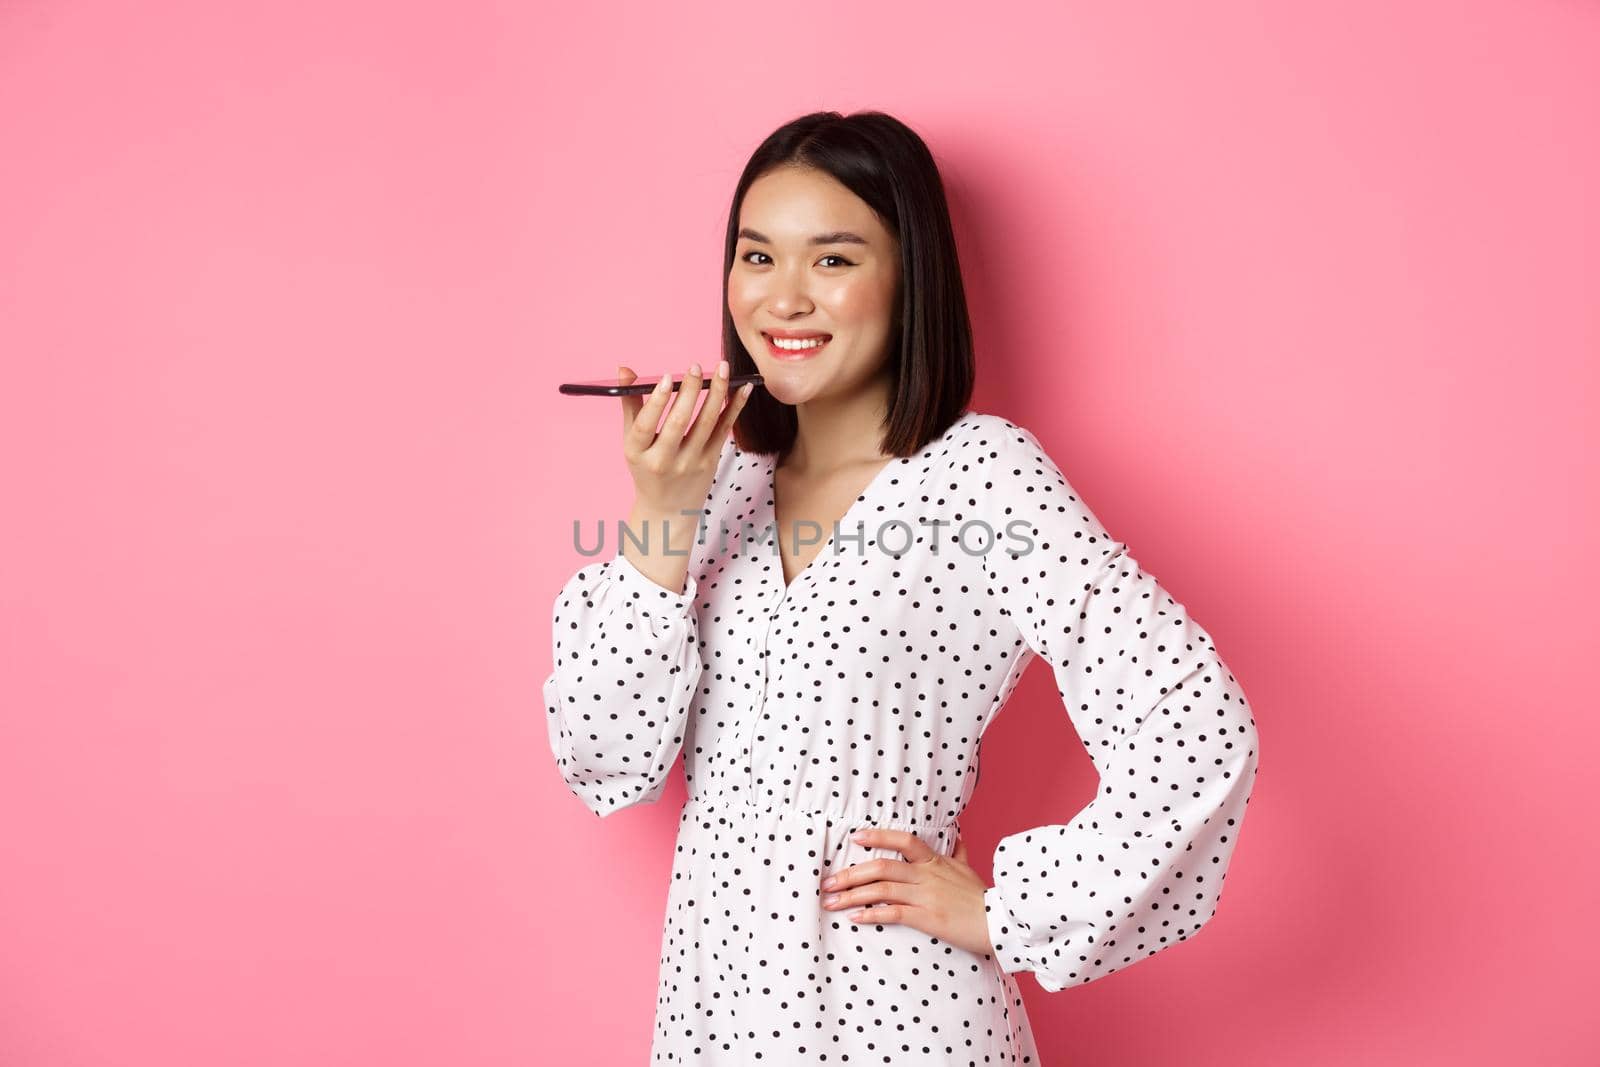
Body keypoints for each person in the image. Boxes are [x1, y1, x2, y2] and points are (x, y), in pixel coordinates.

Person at [543, 110, 1261, 1065]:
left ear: (908, 277)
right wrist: (660, 511)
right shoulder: (712, 488)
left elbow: (1198, 730)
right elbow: (603, 754)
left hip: (905, 1020)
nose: (784, 300)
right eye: (758, 258)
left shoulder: (985, 477)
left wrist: (1013, 909)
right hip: (714, 1023)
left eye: (833, 261)